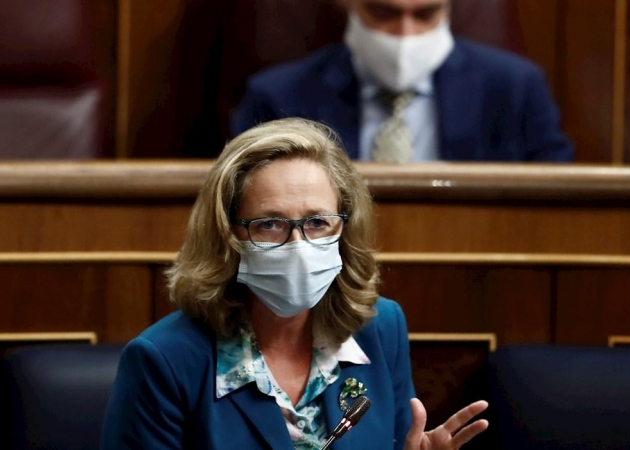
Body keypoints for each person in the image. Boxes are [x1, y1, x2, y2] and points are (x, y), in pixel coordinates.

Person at [101, 118, 489, 449]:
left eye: (317, 222)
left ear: (344, 226)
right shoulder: (164, 361)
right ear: (228, 236)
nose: (299, 245)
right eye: (270, 224)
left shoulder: (380, 327)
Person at [230, 0, 573, 163]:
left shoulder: (516, 88)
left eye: (425, 14)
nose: (405, 35)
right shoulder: (278, 97)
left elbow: (558, 202)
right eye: (383, 13)